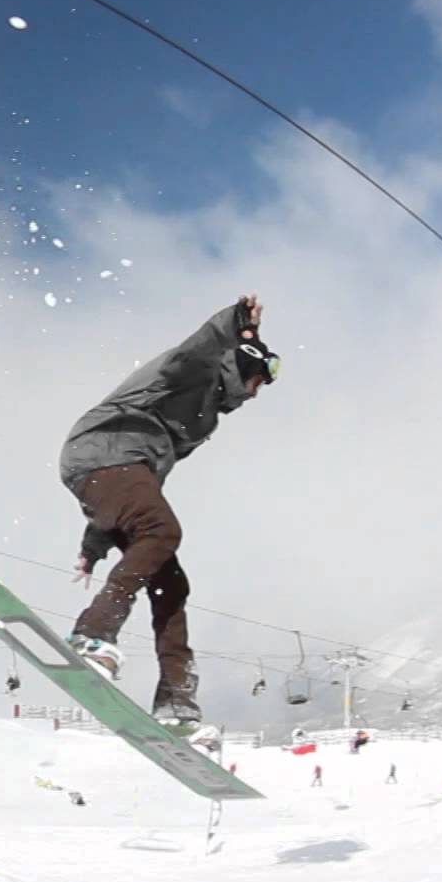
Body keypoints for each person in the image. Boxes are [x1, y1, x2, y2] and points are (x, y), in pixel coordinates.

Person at [61, 294, 278, 727]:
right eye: (259, 382)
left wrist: (95, 545)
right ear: (245, 369)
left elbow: (141, 488)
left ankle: (176, 700)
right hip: (102, 451)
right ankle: (92, 633)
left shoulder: (204, 417)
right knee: (163, 531)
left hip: (118, 471)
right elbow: (200, 346)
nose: (256, 394)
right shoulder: (195, 373)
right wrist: (237, 324)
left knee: (172, 583)